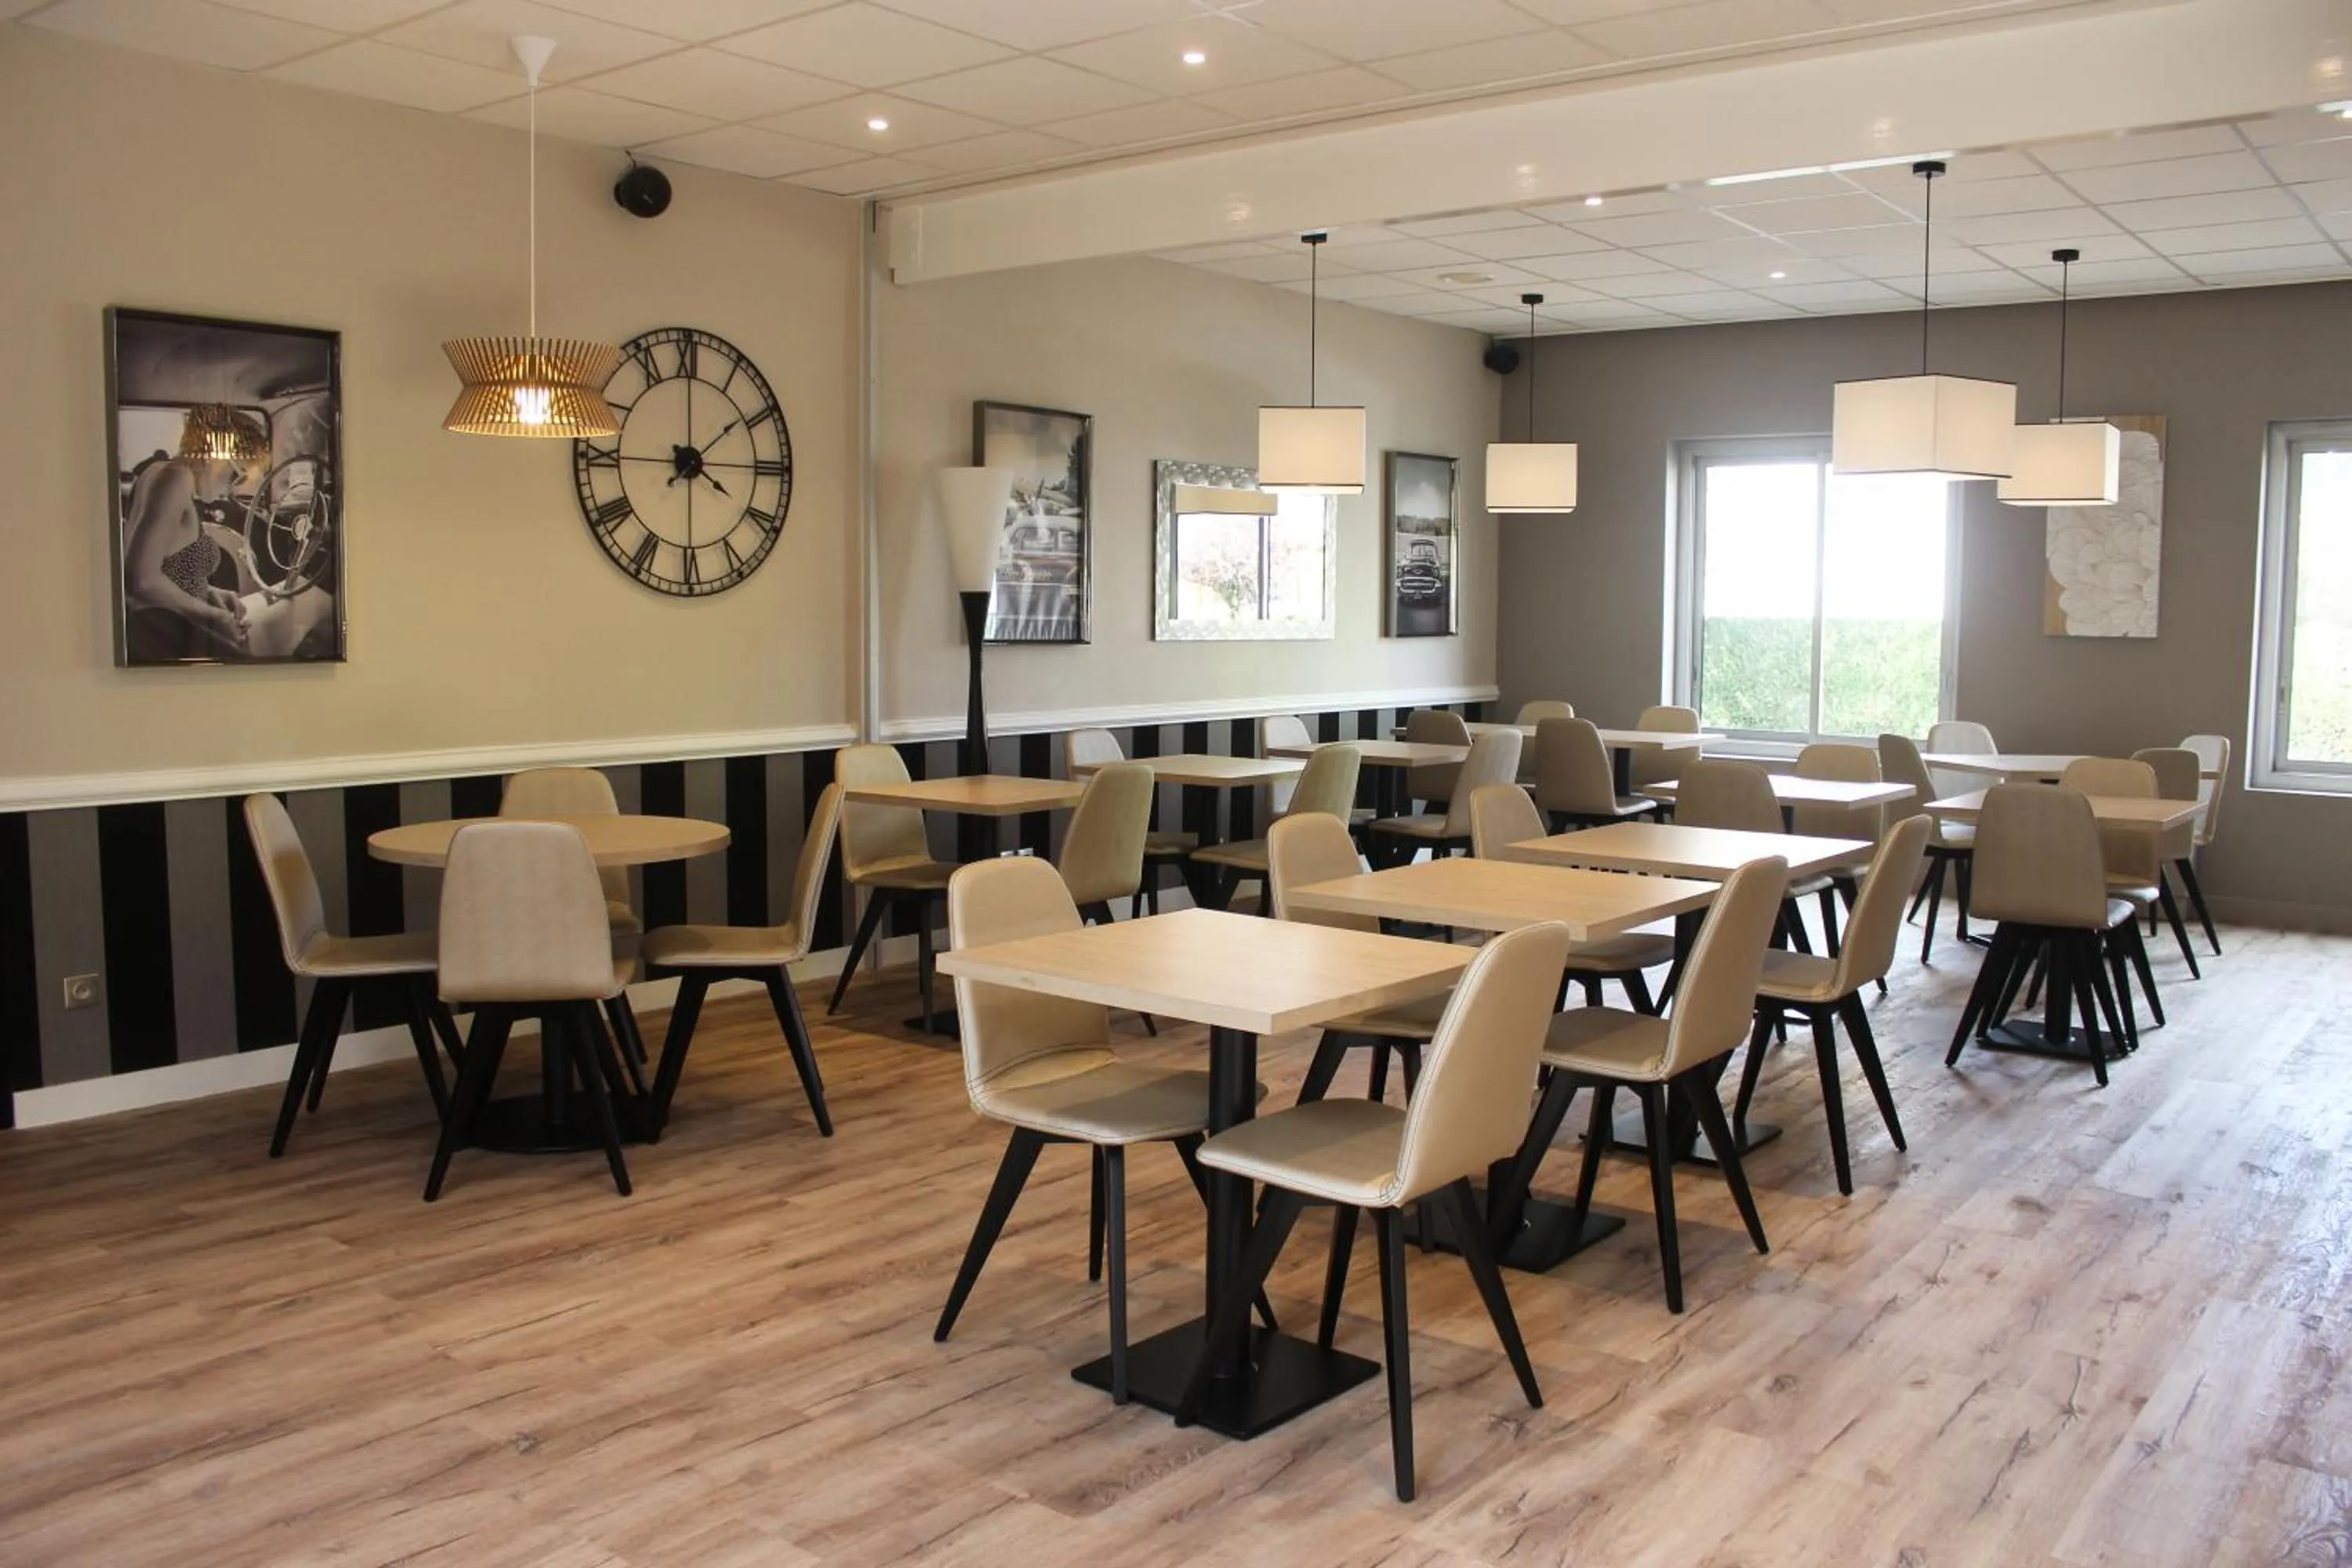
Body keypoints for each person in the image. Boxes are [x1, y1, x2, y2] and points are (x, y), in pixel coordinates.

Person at [120, 430, 264, 662]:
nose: (230, 490)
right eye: (236, 477)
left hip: (167, 625)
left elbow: (165, 568)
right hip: (161, 634)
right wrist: (215, 617)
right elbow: (142, 581)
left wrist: (210, 592)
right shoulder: (177, 477)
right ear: (214, 456)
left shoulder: (158, 472)